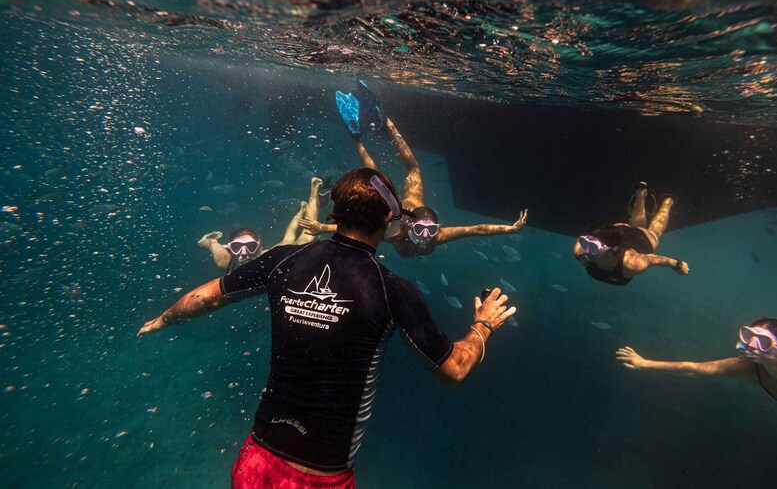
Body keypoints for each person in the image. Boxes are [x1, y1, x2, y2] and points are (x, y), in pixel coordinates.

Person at [138, 167, 517, 487]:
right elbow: (453, 369)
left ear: (334, 214)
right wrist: (483, 325)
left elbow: (203, 298)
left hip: (255, 463)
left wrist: (162, 320)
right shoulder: (394, 291)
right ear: (388, 219)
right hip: (319, 478)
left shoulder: (283, 260)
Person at [299, 81, 528, 258]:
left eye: (430, 231)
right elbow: (359, 229)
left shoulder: (432, 236)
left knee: (391, 174)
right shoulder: (395, 232)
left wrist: (511, 229)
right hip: (398, 210)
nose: (426, 237)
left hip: (404, 210)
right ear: (411, 226)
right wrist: (322, 227)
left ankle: (371, 128)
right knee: (387, 174)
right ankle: (375, 126)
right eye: (421, 230)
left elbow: (477, 229)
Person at [615, 318, 777, 424]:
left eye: (762, 342)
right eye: (748, 336)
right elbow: (696, 370)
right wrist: (644, 363)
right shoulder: (750, 368)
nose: (750, 346)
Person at [197, 177, 326, 272]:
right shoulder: (224, 261)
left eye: (251, 246)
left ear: (260, 246)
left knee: (304, 235)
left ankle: (313, 193)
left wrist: (314, 194)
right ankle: (301, 210)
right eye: (236, 247)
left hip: (276, 255)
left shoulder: (279, 259)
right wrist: (206, 241)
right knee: (288, 238)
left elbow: (308, 233)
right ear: (229, 249)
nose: (244, 254)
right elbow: (210, 242)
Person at [573, 181, 688, 285]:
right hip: (619, 232)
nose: (586, 250)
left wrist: (678, 265)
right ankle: (641, 193)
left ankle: (667, 202)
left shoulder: (632, 264)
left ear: (612, 252)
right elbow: (580, 241)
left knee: (653, 233)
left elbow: (656, 259)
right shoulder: (583, 252)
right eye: (586, 243)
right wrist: (677, 265)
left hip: (638, 242)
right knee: (638, 228)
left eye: (592, 248)